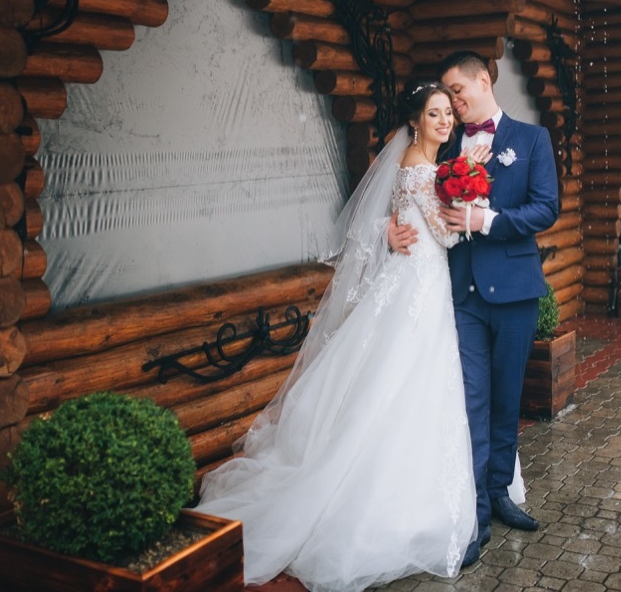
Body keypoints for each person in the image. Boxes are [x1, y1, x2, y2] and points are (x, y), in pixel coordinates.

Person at [195, 81, 489, 591]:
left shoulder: (414, 165)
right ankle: (394, 506)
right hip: (417, 292)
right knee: (408, 387)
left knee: (394, 385)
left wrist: (402, 222)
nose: (445, 122)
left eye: (448, 114)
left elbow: (391, 223)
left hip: (410, 286)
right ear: (415, 121)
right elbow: (445, 235)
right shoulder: (423, 170)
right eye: (435, 114)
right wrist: (474, 189)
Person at [389, 51, 560, 566]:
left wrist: (485, 220)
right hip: (459, 296)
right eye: (446, 96)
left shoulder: (532, 140)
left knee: (508, 398)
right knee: (470, 403)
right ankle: (474, 514)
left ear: (484, 81)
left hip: (514, 291)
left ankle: (502, 492)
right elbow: (407, 193)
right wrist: (389, 230)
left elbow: (545, 208)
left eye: (458, 91)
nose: (453, 103)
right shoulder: (441, 142)